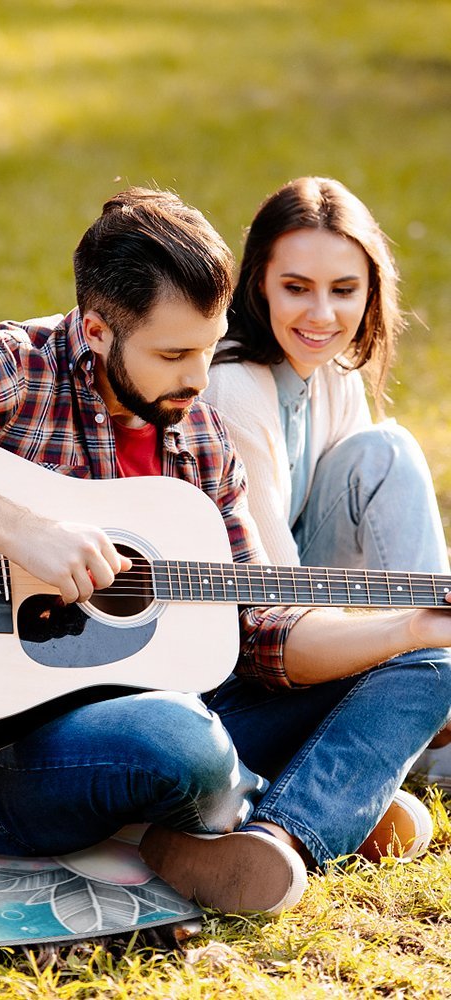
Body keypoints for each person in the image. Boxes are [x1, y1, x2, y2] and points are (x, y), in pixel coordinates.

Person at [0, 187, 451, 916]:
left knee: (431, 665)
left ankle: (281, 837)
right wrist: (20, 530)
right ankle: (303, 796)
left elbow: (260, 629)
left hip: (179, 709)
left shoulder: (199, 435)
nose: (199, 380)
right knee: (179, 742)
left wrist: (408, 628)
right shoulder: (15, 367)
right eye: (173, 354)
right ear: (97, 330)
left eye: (208, 346)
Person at [204, 176, 451, 811]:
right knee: (387, 451)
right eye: (296, 288)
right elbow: (273, 600)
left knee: (384, 450)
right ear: (257, 282)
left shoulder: (333, 372)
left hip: (312, 605)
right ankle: (427, 705)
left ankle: (430, 692)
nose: (322, 315)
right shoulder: (234, 388)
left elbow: (373, 536)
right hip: (249, 645)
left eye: (344, 290)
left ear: (371, 290)